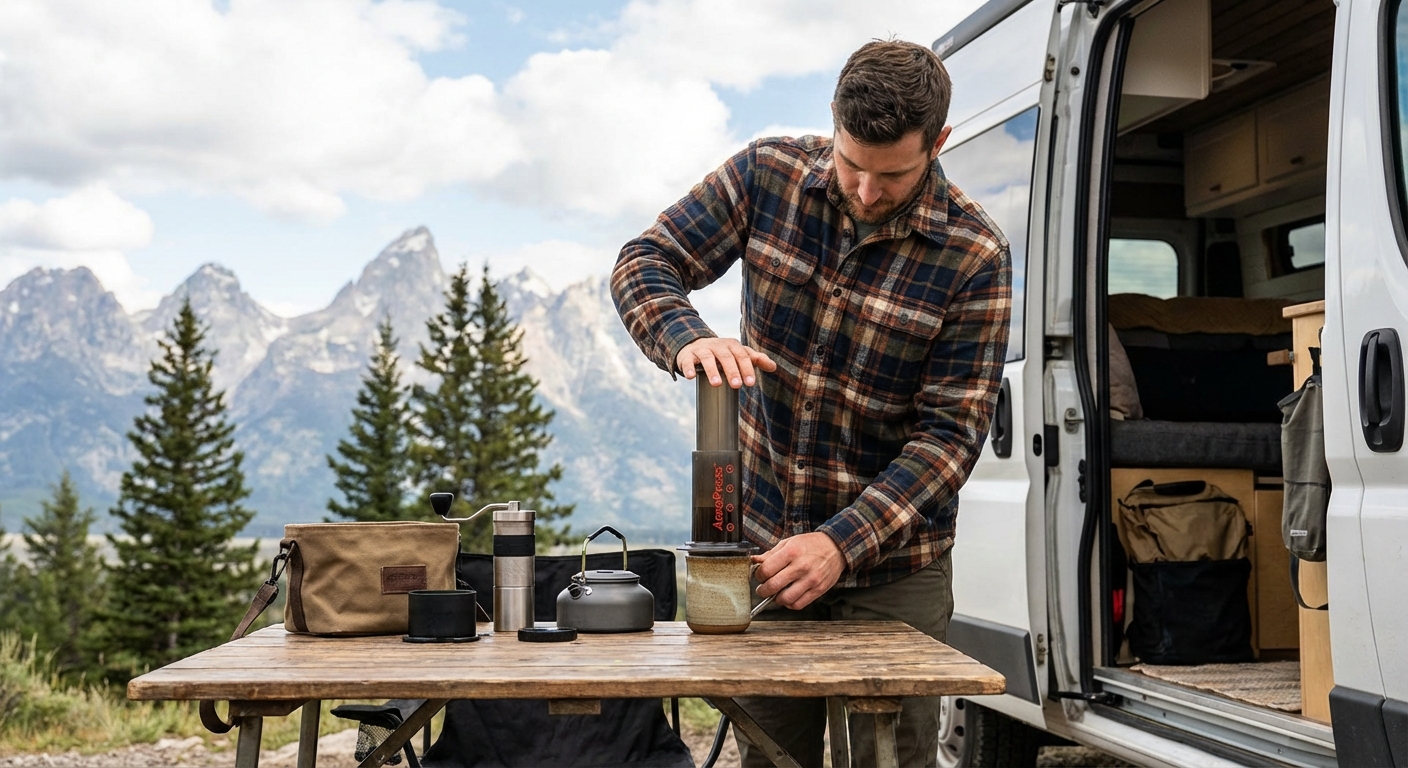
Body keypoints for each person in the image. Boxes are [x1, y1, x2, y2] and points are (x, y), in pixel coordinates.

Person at [610, 39, 1011, 767]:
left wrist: (841, 542)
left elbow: (950, 436)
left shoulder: (975, 255)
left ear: (939, 144)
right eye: (851, 163)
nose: (864, 190)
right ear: (832, 123)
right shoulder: (768, 173)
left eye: (891, 174)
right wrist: (686, 339)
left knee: (889, 760)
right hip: (762, 547)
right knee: (770, 758)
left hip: (892, 572)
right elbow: (645, 260)